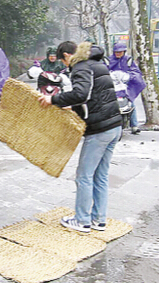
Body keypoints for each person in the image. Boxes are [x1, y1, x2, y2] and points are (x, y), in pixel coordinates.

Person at [38, 41, 122, 233]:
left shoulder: (81, 66)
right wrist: (72, 106)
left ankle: (82, 220)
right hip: (114, 126)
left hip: (99, 129)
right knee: (100, 175)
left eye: (64, 61)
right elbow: (94, 95)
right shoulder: (97, 63)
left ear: (67, 56)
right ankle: (98, 220)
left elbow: (81, 93)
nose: (66, 66)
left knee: (84, 176)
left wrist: (54, 99)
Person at [107, 42, 146, 134]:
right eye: (116, 52)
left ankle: (134, 125)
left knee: (131, 104)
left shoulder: (128, 61)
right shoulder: (109, 60)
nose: (118, 54)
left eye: (120, 52)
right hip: (113, 87)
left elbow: (136, 72)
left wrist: (129, 77)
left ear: (124, 51)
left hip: (126, 87)